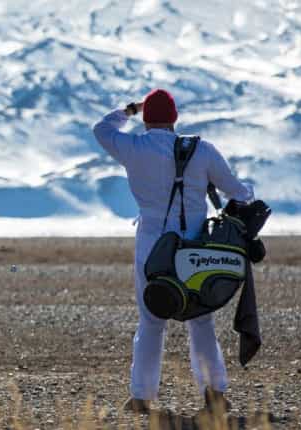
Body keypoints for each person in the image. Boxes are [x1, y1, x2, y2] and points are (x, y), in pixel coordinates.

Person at [92, 89, 253, 414]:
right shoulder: (202, 149)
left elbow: (101, 129)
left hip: (151, 249)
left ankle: (142, 397)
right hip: (194, 249)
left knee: (151, 320)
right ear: (175, 119)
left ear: (147, 119)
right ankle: (215, 394)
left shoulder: (134, 148)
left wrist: (128, 110)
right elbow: (237, 192)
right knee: (201, 319)